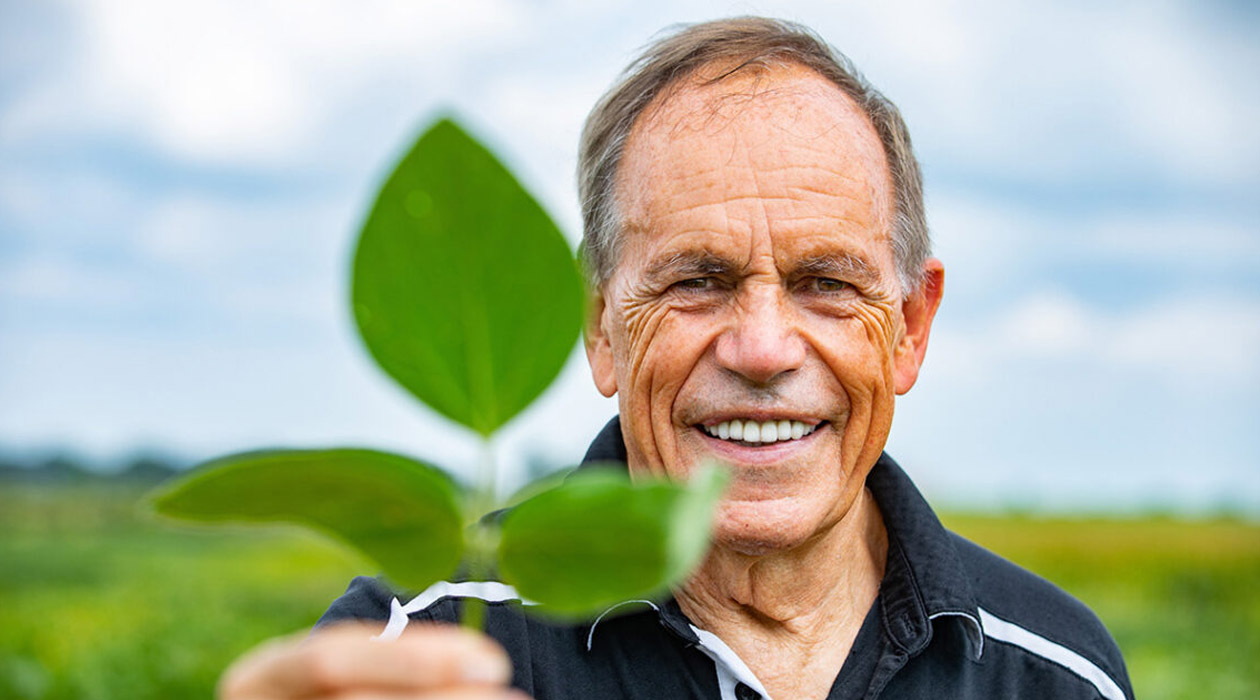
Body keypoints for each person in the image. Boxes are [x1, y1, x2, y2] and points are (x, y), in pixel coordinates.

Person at [220, 17, 1133, 700]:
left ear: (911, 326)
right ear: (600, 325)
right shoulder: (419, 653)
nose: (764, 349)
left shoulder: (1053, 673)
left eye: (825, 281)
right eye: (697, 280)